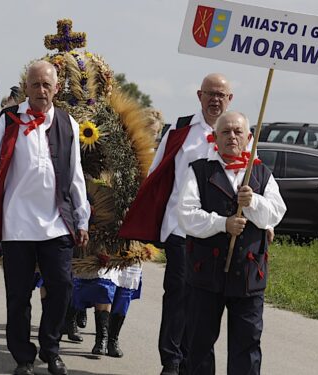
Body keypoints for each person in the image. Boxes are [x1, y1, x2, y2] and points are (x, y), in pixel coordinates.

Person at [0, 60, 90, 375]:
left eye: (47, 85)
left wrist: (82, 218)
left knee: (61, 287)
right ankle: (23, 357)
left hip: (56, 221)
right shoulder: (8, 121)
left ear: (57, 88)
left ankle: (51, 349)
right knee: (18, 294)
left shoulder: (67, 123)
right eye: (36, 84)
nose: (42, 90)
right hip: (17, 222)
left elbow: (75, 176)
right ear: (26, 87)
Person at [119, 73, 234, 375]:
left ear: (229, 99)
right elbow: (157, 176)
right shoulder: (182, 130)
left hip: (220, 232)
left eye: (221, 94)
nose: (215, 99)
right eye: (210, 93)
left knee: (205, 302)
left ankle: (193, 361)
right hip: (182, 229)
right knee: (179, 296)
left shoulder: (237, 134)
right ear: (199, 95)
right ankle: (171, 359)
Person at [178, 111, 286, 374]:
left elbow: (276, 213)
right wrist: (222, 224)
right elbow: (187, 216)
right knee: (199, 344)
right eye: (225, 132)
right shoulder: (199, 170)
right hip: (206, 275)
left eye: (238, 132)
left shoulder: (261, 173)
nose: (232, 137)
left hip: (248, 276)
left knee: (247, 346)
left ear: (248, 137)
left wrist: (254, 203)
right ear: (215, 137)